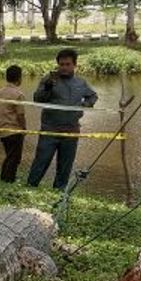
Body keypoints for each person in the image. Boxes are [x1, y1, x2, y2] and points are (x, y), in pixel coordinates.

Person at [27, 49, 98, 190]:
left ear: (74, 65)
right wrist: (48, 87)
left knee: (66, 164)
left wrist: (85, 104)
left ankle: (59, 190)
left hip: (71, 130)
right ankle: (30, 187)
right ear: (57, 64)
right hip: (50, 129)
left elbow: (93, 96)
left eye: (67, 64)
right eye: (61, 64)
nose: (64, 67)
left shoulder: (81, 83)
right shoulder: (49, 79)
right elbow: (37, 99)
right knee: (42, 160)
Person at [0, 65, 27, 183]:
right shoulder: (18, 94)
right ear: (19, 78)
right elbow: (20, 115)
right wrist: (24, 128)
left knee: (9, 155)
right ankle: (9, 180)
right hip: (14, 130)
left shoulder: (0, 92)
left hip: (2, 129)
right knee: (15, 158)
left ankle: (5, 177)